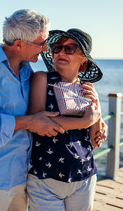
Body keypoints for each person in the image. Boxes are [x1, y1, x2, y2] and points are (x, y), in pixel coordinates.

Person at [0, 10, 103, 211]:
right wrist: (29, 122)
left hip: (23, 171)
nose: (47, 48)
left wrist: (98, 119)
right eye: (43, 43)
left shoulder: (27, 69)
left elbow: (60, 107)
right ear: (19, 44)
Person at [27, 28, 105, 211]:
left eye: (70, 48)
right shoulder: (42, 79)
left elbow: (95, 139)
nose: (61, 52)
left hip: (84, 175)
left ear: (83, 60)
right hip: (45, 177)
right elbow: (37, 122)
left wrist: (97, 107)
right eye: (57, 47)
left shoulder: (88, 88)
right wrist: (84, 122)